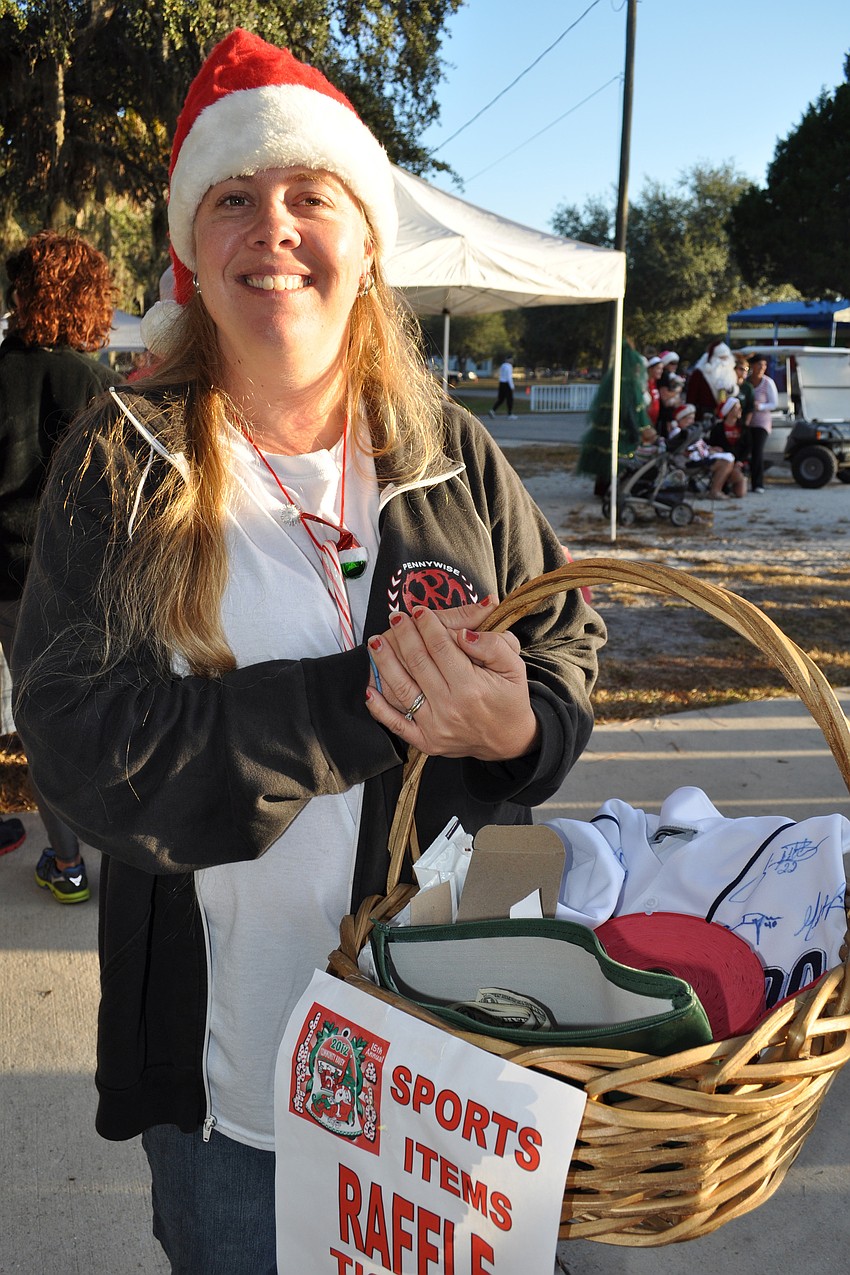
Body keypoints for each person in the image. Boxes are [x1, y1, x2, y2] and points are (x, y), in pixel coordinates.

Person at [11, 29, 605, 1273]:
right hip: (246, 1100)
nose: (272, 229)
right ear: (190, 246)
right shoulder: (122, 465)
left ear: (367, 241)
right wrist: (365, 702)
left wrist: (518, 731)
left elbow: (564, 631)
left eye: (309, 196)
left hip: (466, 1057)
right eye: (235, 199)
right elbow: (77, 746)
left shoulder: (448, 447)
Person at [0, 230, 121, 901]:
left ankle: (68, 860)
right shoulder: (105, 388)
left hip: (11, 585)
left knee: (36, 716)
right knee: (102, 708)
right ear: (89, 299)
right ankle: (122, 846)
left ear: (23, 295)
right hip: (89, 586)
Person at [577, 341, 651, 498]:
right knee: (620, 459)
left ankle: (602, 488)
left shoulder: (613, 381)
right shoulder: (629, 385)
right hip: (623, 429)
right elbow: (631, 412)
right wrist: (639, 430)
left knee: (607, 456)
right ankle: (612, 490)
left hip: (608, 428)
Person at [668, 402, 741, 499]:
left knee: (727, 456)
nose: (691, 421)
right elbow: (685, 451)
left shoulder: (689, 431)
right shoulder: (679, 433)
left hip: (699, 457)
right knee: (726, 462)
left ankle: (725, 486)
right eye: (689, 418)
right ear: (680, 419)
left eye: (692, 418)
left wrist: (710, 449)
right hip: (689, 462)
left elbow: (698, 445)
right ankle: (715, 491)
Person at [747, 354, 779, 493]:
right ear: (753, 366)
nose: (762, 368)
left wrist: (760, 406)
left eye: (764, 365)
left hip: (761, 422)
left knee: (757, 451)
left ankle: (758, 483)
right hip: (747, 422)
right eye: (759, 364)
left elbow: (774, 403)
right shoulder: (746, 382)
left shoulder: (768, 383)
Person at [685, 339, 738, 420]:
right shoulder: (700, 373)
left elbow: (734, 391)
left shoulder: (731, 372)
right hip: (704, 414)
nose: (724, 362)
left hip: (725, 415)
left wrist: (730, 389)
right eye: (721, 358)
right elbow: (691, 397)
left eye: (726, 358)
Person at [707, 397, 748, 497]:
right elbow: (712, 444)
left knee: (740, 493)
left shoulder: (743, 428)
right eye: (736, 408)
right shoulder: (718, 428)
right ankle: (720, 486)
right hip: (724, 461)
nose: (740, 410)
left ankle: (731, 482)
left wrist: (740, 461)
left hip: (738, 463)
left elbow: (748, 447)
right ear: (729, 411)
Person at [489, 354, 517, 418]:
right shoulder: (509, 366)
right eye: (511, 359)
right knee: (510, 399)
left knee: (501, 399)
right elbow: (509, 377)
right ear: (508, 360)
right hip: (507, 384)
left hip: (501, 383)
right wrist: (512, 386)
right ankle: (510, 414)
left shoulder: (503, 365)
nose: (512, 361)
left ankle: (492, 410)